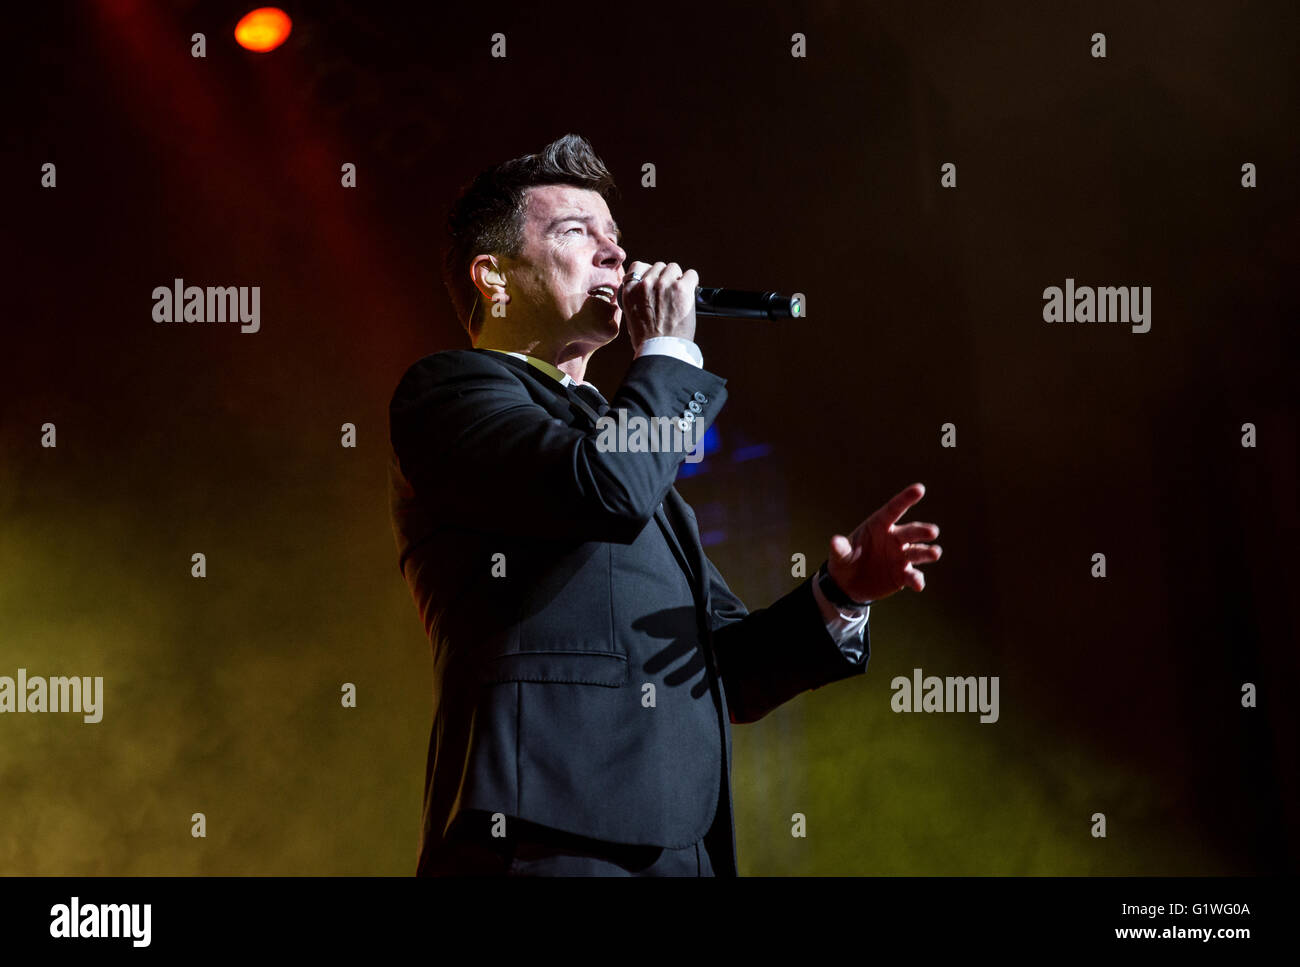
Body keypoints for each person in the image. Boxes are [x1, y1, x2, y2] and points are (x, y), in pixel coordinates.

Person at [387, 133, 942, 876]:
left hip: (682, 849)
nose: (618, 254)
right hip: (544, 832)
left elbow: (724, 670)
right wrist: (668, 355)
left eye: (617, 236)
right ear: (494, 278)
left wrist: (841, 595)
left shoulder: (643, 475)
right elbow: (605, 489)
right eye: (577, 232)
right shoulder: (452, 393)